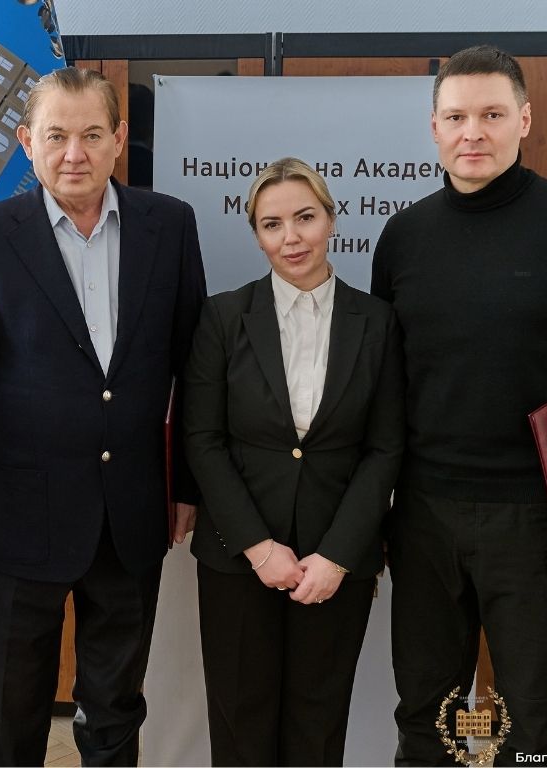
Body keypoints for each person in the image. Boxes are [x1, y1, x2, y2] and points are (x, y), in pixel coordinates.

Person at [372, 45, 547, 764]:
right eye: (457, 117)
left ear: (524, 120)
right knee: (426, 714)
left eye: (492, 115)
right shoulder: (403, 238)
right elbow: (385, 385)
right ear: (434, 127)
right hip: (423, 514)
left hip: (539, 523)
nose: (473, 132)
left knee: (542, 719)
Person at [0, 66, 206, 766]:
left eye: (91, 135)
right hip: (20, 514)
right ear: (27, 142)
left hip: (131, 511)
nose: (74, 153)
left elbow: (194, 370)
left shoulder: (170, 226)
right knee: (14, 705)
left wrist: (185, 486)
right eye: (56, 136)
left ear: (119, 139)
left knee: (116, 704)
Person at [183, 158, 404, 766]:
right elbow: (203, 440)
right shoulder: (223, 317)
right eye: (272, 224)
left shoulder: (378, 322)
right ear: (256, 235)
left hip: (336, 560)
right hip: (237, 557)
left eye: (305, 218)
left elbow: (385, 448)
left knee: (318, 725)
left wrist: (337, 555)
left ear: (331, 220)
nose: (291, 238)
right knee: (240, 726)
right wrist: (258, 548)